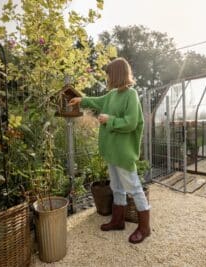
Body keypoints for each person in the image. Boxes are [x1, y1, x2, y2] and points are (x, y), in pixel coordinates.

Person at [68, 57, 151, 244]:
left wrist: (109, 120)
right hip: (112, 152)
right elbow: (97, 101)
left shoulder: (131, 95)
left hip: (123, 153)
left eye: (109, 75)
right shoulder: (112, 95)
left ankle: (145, 228)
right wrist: (81, 99)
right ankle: (118, 220)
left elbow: (131, 122)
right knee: (117, 187)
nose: (107, 79)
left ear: (117, 75)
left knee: (135, 188)